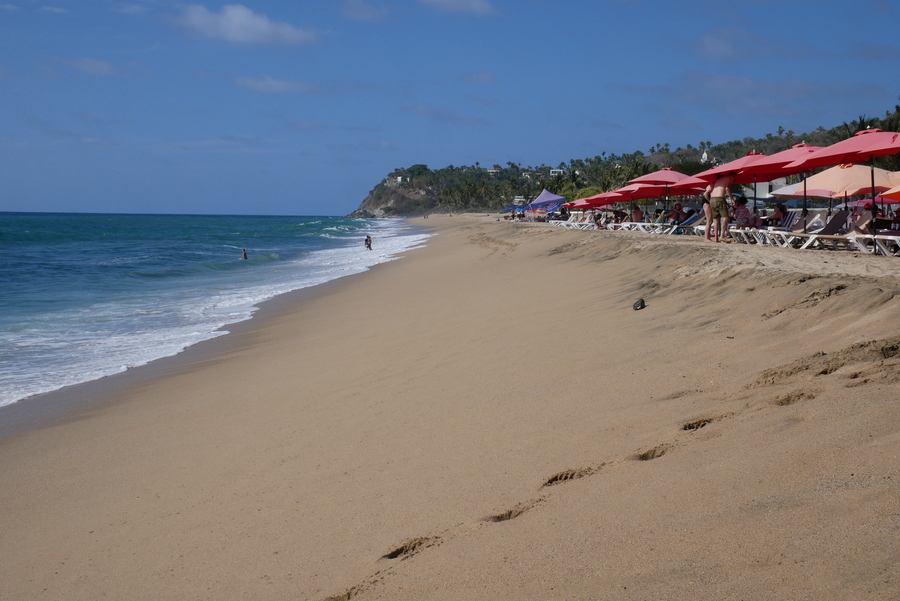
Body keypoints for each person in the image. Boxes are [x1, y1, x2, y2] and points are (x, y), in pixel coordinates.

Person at [703, 173, 735, 242]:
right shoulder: (730, 176)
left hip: (713, 199)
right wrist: (732, 199)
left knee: (716, 220)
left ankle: (716, 238)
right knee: (725, 218)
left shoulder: (718, 181)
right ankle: (721, 236)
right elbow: (727, 188)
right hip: (716, 199)